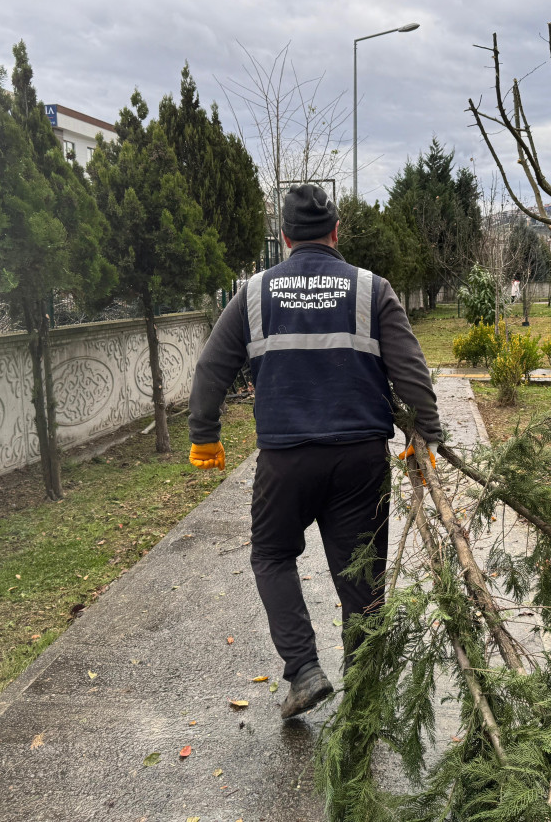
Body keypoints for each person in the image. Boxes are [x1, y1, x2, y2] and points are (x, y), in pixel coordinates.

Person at [188, 183, 442, 719]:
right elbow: (410, 368)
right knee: (360, 572)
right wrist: (427, 434)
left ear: (283, 237)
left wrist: (204, 435)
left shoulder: (254, 293)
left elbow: (212, 366)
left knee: (272, 554)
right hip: (360, 460)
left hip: (286, 461)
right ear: (336, 231)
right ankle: (365, 684)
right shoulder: (372, 289)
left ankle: (303, 671)